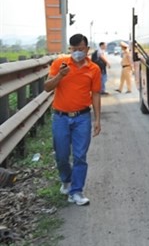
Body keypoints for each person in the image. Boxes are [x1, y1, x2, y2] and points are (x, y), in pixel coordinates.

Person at [44, 33, 102, 206]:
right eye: (74, 49)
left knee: (80, 156)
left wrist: (97, 119)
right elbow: (47, 88)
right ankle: (66, 180)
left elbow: (96, 95)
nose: (77, 52)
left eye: (81, 49)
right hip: (61, 117)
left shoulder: (94, 69)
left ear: (87, 49)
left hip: (82, 118)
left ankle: (76, 191)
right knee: (62, 155)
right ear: (70, 49)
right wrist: (60, 75)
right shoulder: (60, 64)